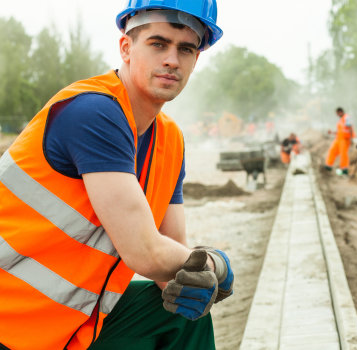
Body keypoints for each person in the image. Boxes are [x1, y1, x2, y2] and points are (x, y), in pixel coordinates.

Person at [0, 1, 234, 349]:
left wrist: (195, 280)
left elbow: (170, 266)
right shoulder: (94, 112)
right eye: (158, 44)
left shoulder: (169, 140)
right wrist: (217, 265)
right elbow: (145, 253)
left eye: (186, 49)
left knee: (180, 317)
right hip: (11, 320)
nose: (172, 59)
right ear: (126, 48)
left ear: (195, 60)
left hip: (73, 324)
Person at [322, 107, 355, 175]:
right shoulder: (341, 120)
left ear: (340, 112)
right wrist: (332, 132)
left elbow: (350, 128)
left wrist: (351, 139)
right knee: (332, 150)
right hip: (338, 139)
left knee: (343, 154)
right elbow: (340, 131)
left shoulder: (347, 118)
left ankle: (344, 169)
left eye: (337, 113)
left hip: (345, 139)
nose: (337, 115)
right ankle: (329, 165)